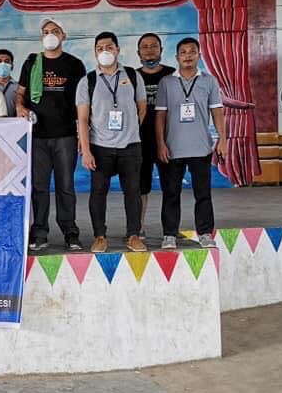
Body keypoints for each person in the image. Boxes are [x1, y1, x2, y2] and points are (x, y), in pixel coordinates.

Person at [16, 19, 86, 252]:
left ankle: (70, 232)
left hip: (65, 135)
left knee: (66, 186)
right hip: (38, 136)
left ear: (63, 35)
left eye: (55, 31)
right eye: (46, 32)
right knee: (39, 186)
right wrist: (19, 107)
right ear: (41, 37)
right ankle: (40, 233)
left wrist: (82, 135)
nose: (50, 35)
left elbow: (82, 102)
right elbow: (21, 93)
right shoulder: (32, 62)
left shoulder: (74, 65)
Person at [76, 31, 148, 253]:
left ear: (117, 49)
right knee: (98, 193)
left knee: (133, 192)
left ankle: (133, 235)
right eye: (100, 49)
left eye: (109, 47)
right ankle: (99, 236)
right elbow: (83, 119)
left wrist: (129, 129)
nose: (105, 52)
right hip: (100, 147)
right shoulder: (87, 81)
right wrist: (86, 151)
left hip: (130, 146)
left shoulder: (134, 76)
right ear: (95, 53)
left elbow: (142, 107)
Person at [155, 37, 227, 250]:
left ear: (199, 55)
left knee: (203, 193)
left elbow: (217, 111)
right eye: (183, 52)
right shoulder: (166, 83)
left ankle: (205, 233)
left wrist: (223, 140)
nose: (187, 55)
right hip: (173, 148)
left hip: (200, 148)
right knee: (171, 193)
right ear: (177, 57)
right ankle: (169, 234)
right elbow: (160, 116)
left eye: (192, 51)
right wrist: (160, 143)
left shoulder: (209, 81)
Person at [136, 33, 175, 237]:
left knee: (171, 187)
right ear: (138, 52)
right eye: (145, 47)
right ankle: (138, 228)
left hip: (168, 140)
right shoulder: (132, 77)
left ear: (161, 50)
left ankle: (170, 230)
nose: (149, 50)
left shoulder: (172, 75)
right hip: (140, 141)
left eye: (154, 46)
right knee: (141, 188)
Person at [0, 49, 18, 116]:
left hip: (12, 125)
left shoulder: (19, 88)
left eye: (7, 61)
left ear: (12, 66)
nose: (3, 64)